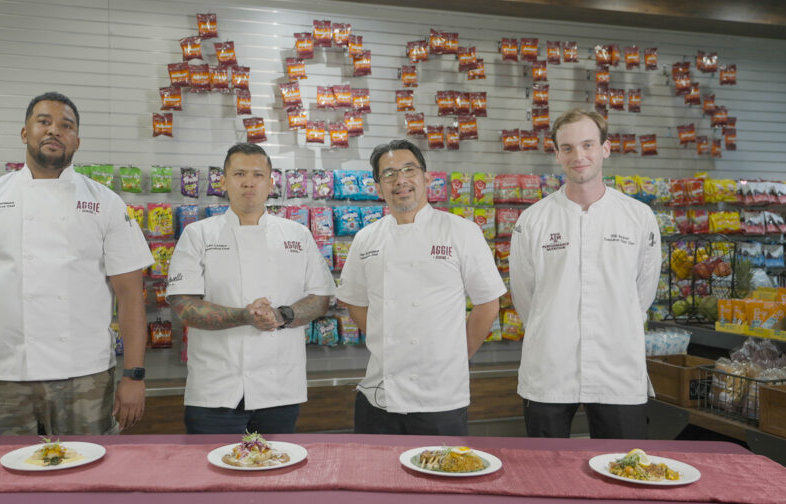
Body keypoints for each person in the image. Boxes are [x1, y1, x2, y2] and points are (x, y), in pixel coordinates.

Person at [0, 91, 155, 436]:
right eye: (44, 122)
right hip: (3, 378)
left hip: (87, 376)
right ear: (24, 133)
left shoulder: (106, 204)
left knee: (87, 478)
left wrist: (134, 375)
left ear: (77, 141)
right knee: (6, 481)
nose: (54, 131)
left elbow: (130, 295)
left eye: (66, 126)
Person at [509, 108, 661, 439]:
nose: (579, 156)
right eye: (568, 148)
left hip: (617, 368)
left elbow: (642, 292)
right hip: (550, 368)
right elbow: (525, 296)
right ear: (557, 154)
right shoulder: (533, 220)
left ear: (606, 148)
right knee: (545, 472)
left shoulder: (638, 217)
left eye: (588, 145)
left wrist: (615, 323)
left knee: (624, 472)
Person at [336, 140, 507, 435]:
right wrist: (387, 340)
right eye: (388, 174)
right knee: (375, 478)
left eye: (409, 170)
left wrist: (454, 354)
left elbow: (488, 304)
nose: (400, 180)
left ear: (426, 178)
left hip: (441, 398)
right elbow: (356, 303)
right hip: (379, 395)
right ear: (378, 187)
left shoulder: (461, 231)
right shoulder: (365, 239)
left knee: (441, 478)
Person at [167, 142, 335, 434]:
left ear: (271, 182)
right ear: (224, 181)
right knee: (213, 476)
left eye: (258, 175)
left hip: (279, 387)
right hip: (215, 391)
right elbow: (183, 306)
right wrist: (245, 316)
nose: (248, 182)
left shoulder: (297, 235)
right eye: (239, 174)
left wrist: (282, 315)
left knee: (276, 472)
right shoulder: (198, 235)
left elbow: (320, 298)